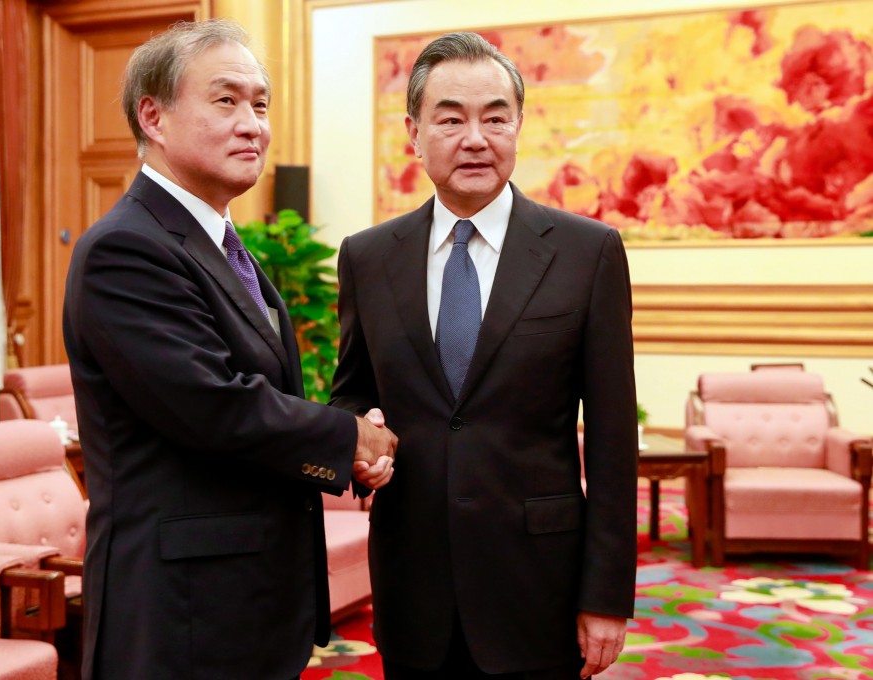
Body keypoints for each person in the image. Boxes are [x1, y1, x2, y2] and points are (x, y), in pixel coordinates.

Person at [62, 19, 396, 680]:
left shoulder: (217, 241)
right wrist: (348, 439)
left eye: (261, 103)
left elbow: (262, 400)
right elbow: (212, 406)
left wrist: (343, 452)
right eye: (226, 100)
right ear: (152, 117)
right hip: (179, 613)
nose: (253, 124)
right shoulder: (126, 249)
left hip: (243, 601)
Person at [330, 32, 637, 679]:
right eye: (451, 118)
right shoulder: (368, 256)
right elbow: (352, 395)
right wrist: (363, 452)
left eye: (495, 117)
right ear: (414, 132)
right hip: (413, 586)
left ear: (518, 124)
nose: (476, 137)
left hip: (538, 587)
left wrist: (607, 597)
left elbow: (613, 442)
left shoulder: (588, 254)